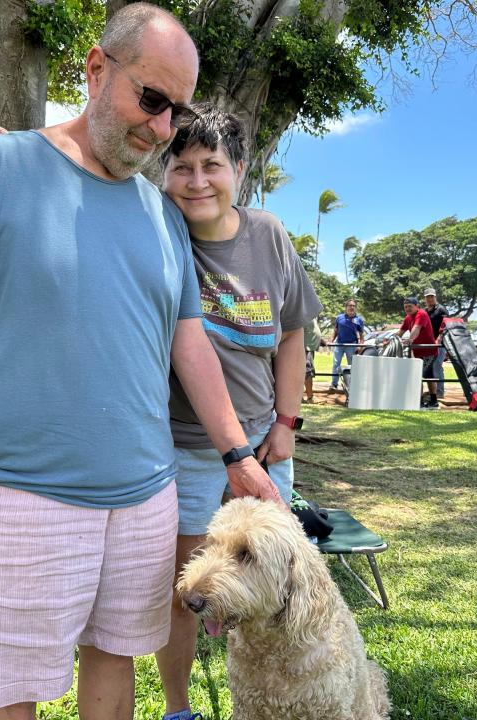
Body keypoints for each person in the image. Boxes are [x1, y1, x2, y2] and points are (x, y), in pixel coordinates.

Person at [0, 6, 280, 720]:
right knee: (7, 685)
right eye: (151, 100)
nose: (164, 129)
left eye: (176, 111)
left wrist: (238, 453)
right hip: (21, 494)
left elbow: (187, 341)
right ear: (97, 68)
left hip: (145, 495)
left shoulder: (162, 213)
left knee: (116, 660)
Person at [156, 104, 323, 720]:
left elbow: (293, 334)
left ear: (240, 171)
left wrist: (285, 423)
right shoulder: (158, 231)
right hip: (184, 452)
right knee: (188, 592)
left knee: (281, 589)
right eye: (182, 168)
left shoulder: (268, 235)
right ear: (165, 174)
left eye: (212, 166)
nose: (197, 181)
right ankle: (178, 708)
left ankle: (290, 696)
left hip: (262, 446)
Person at [395, 296, 439, 408]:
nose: (408, 309)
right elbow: (400, 332)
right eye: (405, 307)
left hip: (429, 351)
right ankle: (432, 401)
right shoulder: (408, 318)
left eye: (410, 306)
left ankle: (420, 402)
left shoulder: (421, 314)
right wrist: (390, 340)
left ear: (417, 306)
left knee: (418, 375)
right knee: (428, 376)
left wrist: (410, 339)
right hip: (418, 352)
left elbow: (416, 329)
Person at [328, 299, 365, 391]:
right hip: (339, 344)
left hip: (351, 345)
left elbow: (361, 334)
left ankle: (351, 386)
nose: (352, 307)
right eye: (350, 305)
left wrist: (360, 345)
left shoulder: (359, 319)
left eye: (353, 306)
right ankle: (334, 384)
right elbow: (336, 330)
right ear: (346, 307)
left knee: (351, 365)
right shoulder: (339, 318)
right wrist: (331, 340)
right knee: (336, 364)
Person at [423, 287, 448, 398]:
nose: (430, 299)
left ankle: (440, 392)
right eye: (428, 297)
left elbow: (446, 325)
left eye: (432, 296)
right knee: (429, 367)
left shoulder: (441, 309)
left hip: (439, 343)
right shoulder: (424, 311)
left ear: (435, 297)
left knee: (437, 365)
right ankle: (433, 391)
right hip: (428, 344)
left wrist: (439, 338)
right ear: (425, 298)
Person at [303, 316, 324, 403]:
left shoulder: (309, 312)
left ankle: (301, 397)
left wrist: (320, 340)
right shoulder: (302, 312)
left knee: (306, 371)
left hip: (309, 348)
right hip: (304, 348)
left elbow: (311, 330)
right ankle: (310, 397)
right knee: (307, 371)